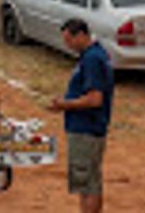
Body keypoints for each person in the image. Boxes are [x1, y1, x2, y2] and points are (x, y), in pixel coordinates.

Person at [48, 18, 114, 213]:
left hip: (86, 128)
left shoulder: (92, 59)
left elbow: (95, 99)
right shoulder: (96, 54)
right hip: (90, 127)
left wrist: (65, 105)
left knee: (88, 184)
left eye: (69, 40)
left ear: (81, 35)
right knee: (90, 181)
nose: (68, 45)